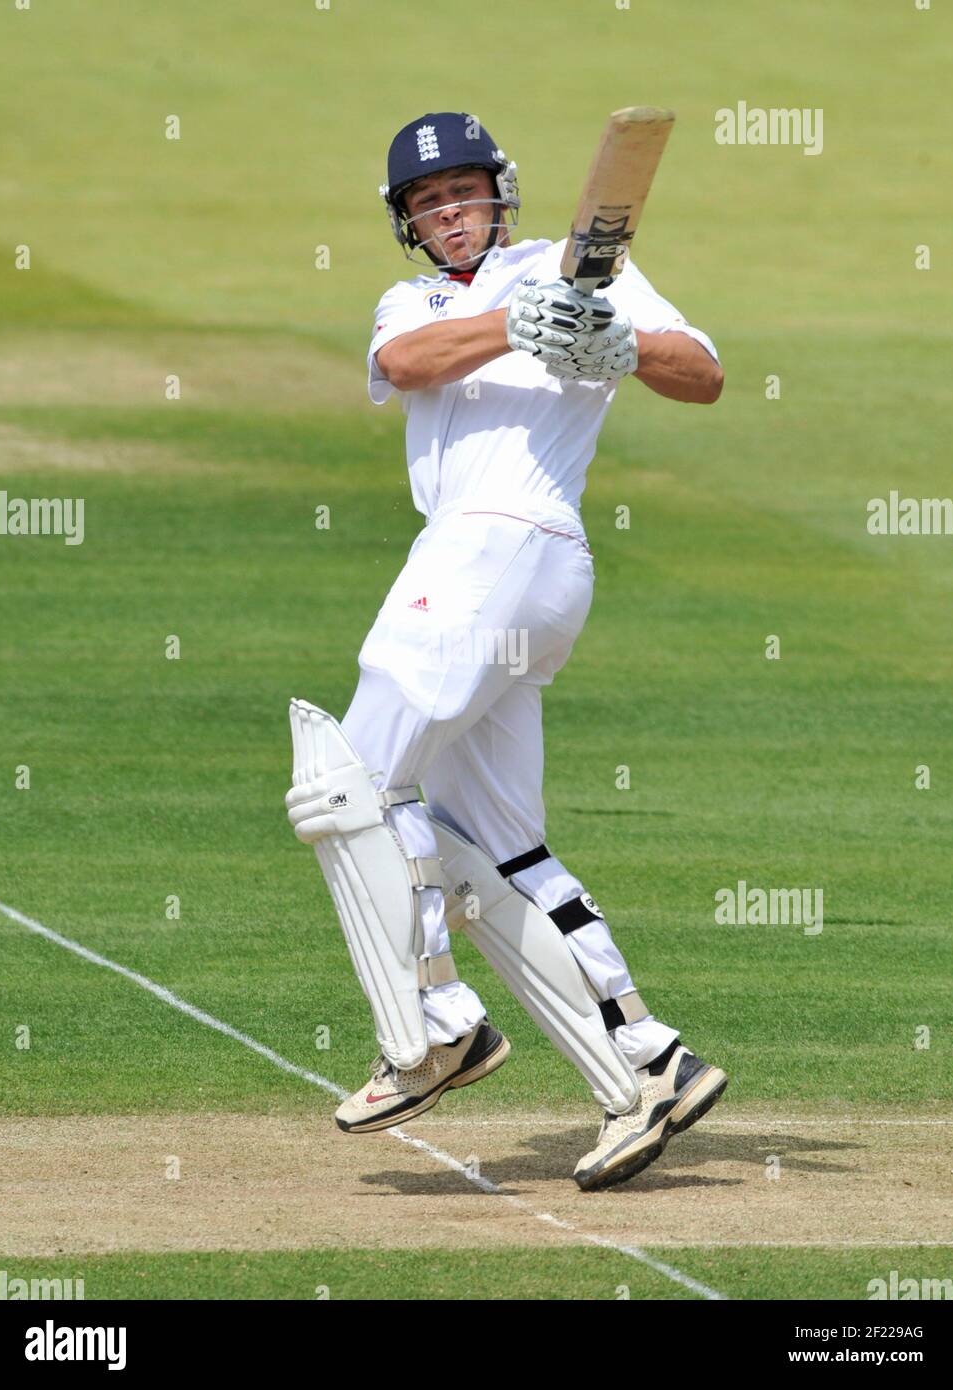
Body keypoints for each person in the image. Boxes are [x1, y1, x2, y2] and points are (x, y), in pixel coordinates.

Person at [286, 111, 726, 1190]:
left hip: (507, 541)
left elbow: (702, 372)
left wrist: (618, 342)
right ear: (408, 224)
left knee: (347, 785)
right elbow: (406, 360)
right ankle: (644, 1061)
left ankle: (432, 1029)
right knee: (497, 845)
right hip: (506, 573)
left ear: (500, 191)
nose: (448, 213)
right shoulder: (422, 300)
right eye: (427, 203)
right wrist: (519, 324)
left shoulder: (576, 268)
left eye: (463, 191)